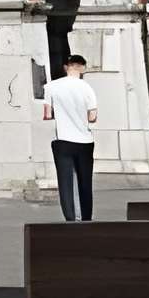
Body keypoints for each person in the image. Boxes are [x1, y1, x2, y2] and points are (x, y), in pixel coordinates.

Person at [42, 52, 99, 220]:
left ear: (66, 67)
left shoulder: (51, 86)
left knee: (65, 182)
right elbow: (92, 117)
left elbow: (47, 114)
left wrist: (61, 114)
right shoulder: (87, 88)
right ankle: (86, 218)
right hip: (84, 141)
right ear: (82, 68)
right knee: (85, 182)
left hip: (63, 139)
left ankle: (70, 219)